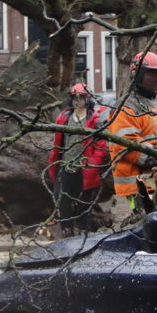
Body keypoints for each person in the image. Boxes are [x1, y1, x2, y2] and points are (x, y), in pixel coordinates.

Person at [106, 52, 157, 225]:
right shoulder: (127, 106)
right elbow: (126, 144)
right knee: (146, 223)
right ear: (138, 75)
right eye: (152, 73)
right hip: (137, 183)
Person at [45, 83, 111, 234]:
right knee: (63, 204)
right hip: (65, 167)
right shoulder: (64, 117)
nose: (77, 101)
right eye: (75, 97)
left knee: (83, 207)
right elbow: (57, 142)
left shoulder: (95, 120)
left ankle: (82, 234)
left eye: (81, 97)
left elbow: (101, 146)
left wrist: (92, 164)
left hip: (84, 170)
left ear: (87, 99)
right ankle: (66, 232)